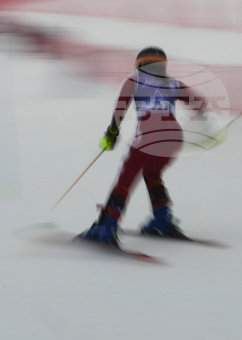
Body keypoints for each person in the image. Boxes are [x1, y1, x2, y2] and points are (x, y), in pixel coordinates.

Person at [78, 47, 207, 247]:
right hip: (173, 138)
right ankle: (162, 220)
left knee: (126, 178)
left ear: (140, 64)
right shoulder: (172, 82)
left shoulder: (135, 79)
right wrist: (200, 118)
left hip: (149, 134)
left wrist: (112, 131)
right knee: (151, 173)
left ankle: (107, 227)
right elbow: (199, 102)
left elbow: (121, 105)